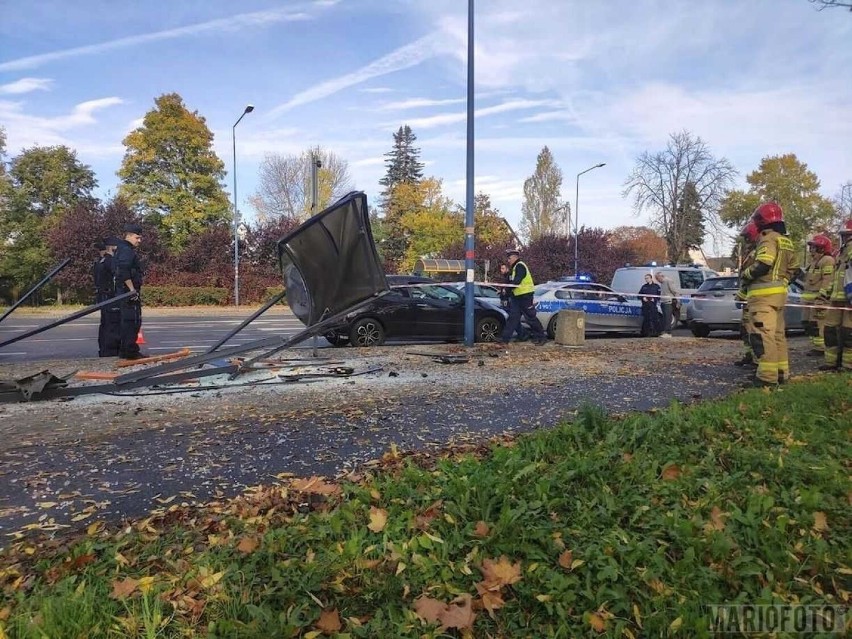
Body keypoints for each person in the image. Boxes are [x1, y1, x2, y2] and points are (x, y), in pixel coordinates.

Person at [739, 202, 800, 387]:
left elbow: (764, 263)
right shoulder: (786, 241)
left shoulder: (768, 238)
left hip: (763, 298)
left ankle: (766, 378)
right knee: (778, 336)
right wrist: (782, 282)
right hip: (779, 297)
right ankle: (782, 373)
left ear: (762, 221)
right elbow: (795, 269)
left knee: (763, 336)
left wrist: (746, 275)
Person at [818, 219, 852, 372]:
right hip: (836, 300)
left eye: (848, 236)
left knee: (848, 334)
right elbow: (834, 276)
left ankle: (848, 365)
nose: (846, 239)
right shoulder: (839, 254)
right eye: (844, 236)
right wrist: (824, 294)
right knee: (830, 330)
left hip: (849, 300)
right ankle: (831, 362)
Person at [113, 223, 147, 360]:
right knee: (131, 321)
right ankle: (130, 351)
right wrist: (132, 290)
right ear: (130, 236)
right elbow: (124, 271)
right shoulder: (127, 250)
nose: (139, 240)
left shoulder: (121, 249)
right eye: (137, 238)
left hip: (124, 292)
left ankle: (125, 350)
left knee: (128, 321)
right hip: (128, 293)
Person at [499, 248, 547, 345]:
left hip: (525, 296)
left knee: (530, 318)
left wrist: (506, 290)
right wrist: (505, 292)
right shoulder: (515, 267)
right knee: (513, 318)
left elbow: (517, 281)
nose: (508, 261)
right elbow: (512, 282)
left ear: (514, 258)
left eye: (509, 258)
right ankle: (504, 340)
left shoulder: (520, 266)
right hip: (517, 297)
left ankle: (541, 337)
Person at [800, 234, 835, 355]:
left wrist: (822, 297)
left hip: (818, 299)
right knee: (808, 324)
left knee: (818, 324)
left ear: (822, 248)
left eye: (814, 247)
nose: (811, 249)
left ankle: (820, 348)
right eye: (811, 247)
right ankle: (815, 346)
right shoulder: (814, 261)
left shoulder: (827, 261)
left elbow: (828, 280)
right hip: (808, 300)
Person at [734, 221, 760, 367]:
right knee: (745, 329)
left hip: (754, 298)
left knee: (753, 330)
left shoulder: (757, 253)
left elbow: (752, 276)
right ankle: (749, 355)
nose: (746, 241)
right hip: (747, 298)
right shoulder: (749, 253)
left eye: (747, 237)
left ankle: (757, 360)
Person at [95, 237, 121, 357]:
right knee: (112, 323)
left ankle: (104, 349)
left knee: (105, 324)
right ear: (111, 248)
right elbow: (117, 274)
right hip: (110, 296)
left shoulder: (100, 261)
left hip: (103, 296)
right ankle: (110, 350)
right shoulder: (109, 260)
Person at [498, 262, 528, 341]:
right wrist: (500, 291)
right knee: (513, 319)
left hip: (509, 300)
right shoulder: (506, 277)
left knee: (512, 319)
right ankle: (522, 334)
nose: (501, 270)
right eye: (501, 268)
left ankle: (522, 334)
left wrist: (505, 292)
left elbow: (511, 287)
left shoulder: (509, 276)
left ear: (507, 269)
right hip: (505, 300)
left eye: (503, 268)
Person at [655, 271, 680, 338]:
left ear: (661, 276)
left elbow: (675, 291)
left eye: (657, 278)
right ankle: (665, 331)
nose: (657, 280)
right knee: (664, 318)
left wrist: (678, 301)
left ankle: (668, 333)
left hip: (669, 302)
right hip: (663, 302)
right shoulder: (662, 283)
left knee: (668, 318)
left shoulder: (668, 281)